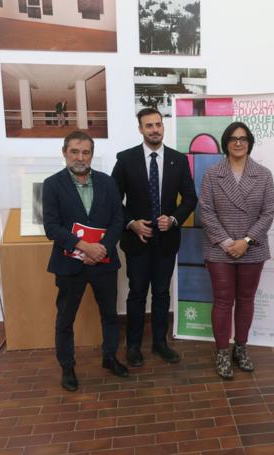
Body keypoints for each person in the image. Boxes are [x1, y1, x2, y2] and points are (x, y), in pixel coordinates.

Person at [111, 107, 197, 367]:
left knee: (161, 293)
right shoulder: (126, 159)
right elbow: (113, 200)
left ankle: (160, 343)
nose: (155, 129)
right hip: (137, 240)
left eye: (158, 124)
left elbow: (190, 198)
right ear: (140, 129)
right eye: (149, 125)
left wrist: (172, 219)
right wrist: (131, 223)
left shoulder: (178, 160)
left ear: (163, 127)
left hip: (166, 240)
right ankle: (134, 346)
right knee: (137, 293)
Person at [42, 130, 127, 392]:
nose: (80, 157)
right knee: (65, 319)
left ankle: (109, 357)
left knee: (110, 315)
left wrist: (101, 248)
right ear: (65, 152)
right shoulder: (52, 184)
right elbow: (52, 227)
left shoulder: (107, 182)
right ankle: (67, 367)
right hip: (70, 264)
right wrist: (85, 247)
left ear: (91, 154)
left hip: (104, 261)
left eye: (86, 152)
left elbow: (118, 220)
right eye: (75, 151)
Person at [199, 122, 274, 379]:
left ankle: (240, 348)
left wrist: (246, 240)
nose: (238, 142)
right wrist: (226, 242)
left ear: (250, 142)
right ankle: (222, 351)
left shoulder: (263, 174)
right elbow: (206, 211)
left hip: (252, 248)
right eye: (233, 138)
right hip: (220, 249)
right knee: (222, 302)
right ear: (226, 143)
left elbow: (268, 212)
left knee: (246, 300)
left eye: (243, 138)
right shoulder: (212, 174)